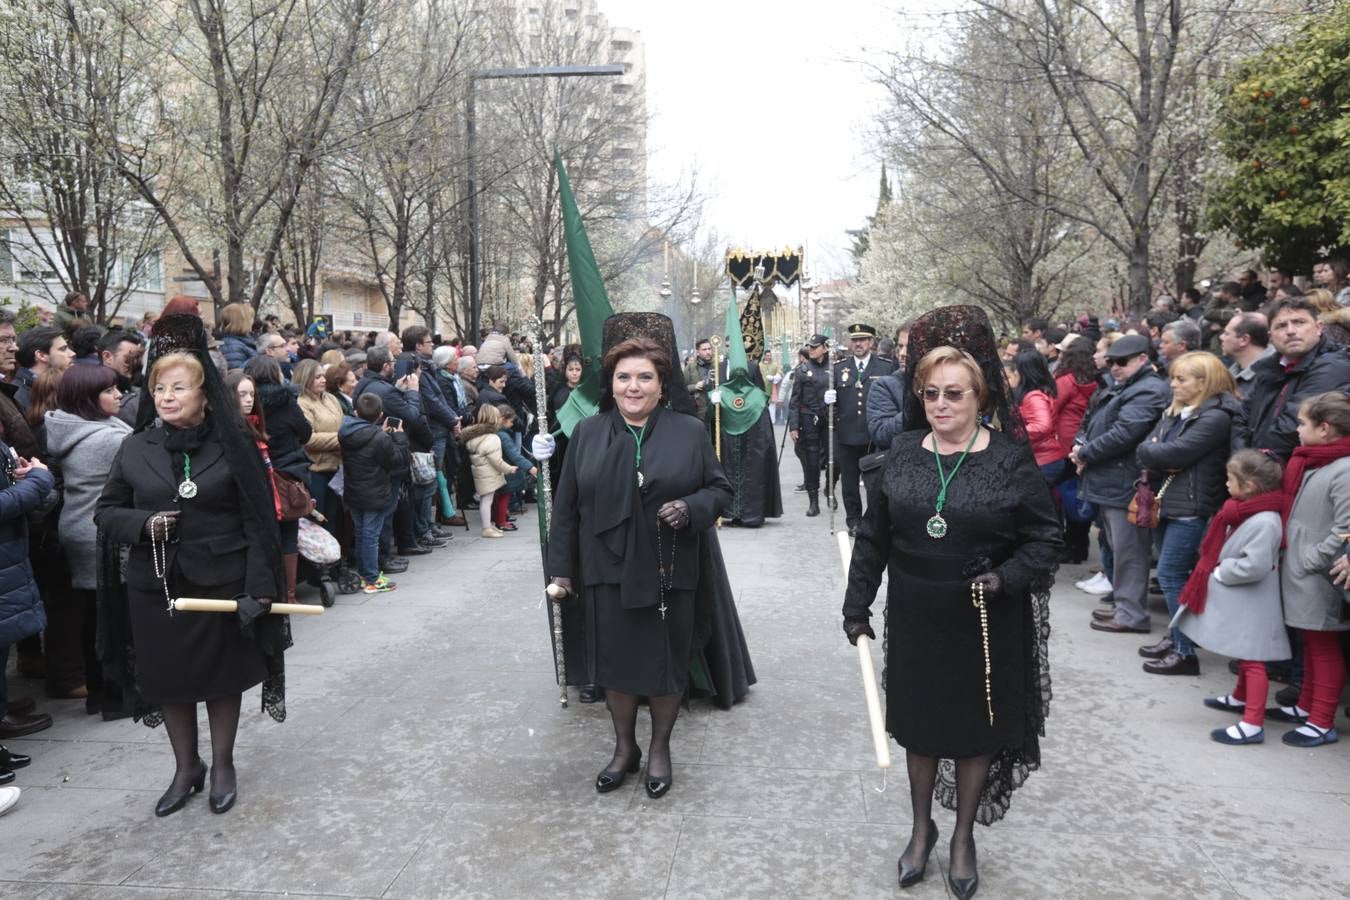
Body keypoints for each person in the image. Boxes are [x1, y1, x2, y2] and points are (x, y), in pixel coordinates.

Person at [842, 306, 1059, 898]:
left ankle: (962, 836)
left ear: (979, 395)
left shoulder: (1010, 459)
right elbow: (875, 536)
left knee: (975, 729)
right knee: (919, 728)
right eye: (931, 393)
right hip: (916, 613)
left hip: (986, 620)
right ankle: (921, 831)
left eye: (955, 394)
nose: (942, 404)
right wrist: (856, 605)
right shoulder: (905, 452)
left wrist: (1007, 578)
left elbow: (1046, 539)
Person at [95, 315, 289, 817]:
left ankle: (223, 765)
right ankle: (187, 768)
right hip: (154, 588)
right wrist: (144, 525)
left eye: (179, 387)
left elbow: (260, 524)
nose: (166, 396)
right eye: (159, 387)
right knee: (168, 681)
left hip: (222, 583)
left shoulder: (235, 445)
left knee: (222, 679)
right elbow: (106, 512)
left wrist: (260, 589)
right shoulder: (134, 447)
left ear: (204, 395)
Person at [547, 335, 731, 800]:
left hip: (670, 568)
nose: (633, 386)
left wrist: (690, 507)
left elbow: (720, 490)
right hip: (603, 570)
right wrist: (561, 571)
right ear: (609, 384)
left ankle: (661, 750)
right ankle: (624, 749)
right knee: (616, 664)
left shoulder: (688, 432)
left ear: (661, 384)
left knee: (665, 663)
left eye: (644, 377)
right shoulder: (587, 434)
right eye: (623, 377)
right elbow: (566, 507)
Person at [1129, 352, 1244, 676]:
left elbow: (1175, 451)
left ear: (1203, 382)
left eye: (1182, 379)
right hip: (1170, 502)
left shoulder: (1217, 417)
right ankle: (1176, 637)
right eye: (1174, 377)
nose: (1174, 384)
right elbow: (1149, 447)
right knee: (1171, 577)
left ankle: (1184, 652)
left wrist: (1156, 452)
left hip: (1191, 507)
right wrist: (1155, 453)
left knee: (1170, 575)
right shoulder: (1179, 411)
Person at [1170, 450, 1288, 744]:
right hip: (1246, 601)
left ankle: (1253, 723)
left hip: (1254, 601)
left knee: (1253, 659)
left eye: (1230, 479)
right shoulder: (1246, 510)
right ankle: (1240, 698)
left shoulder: (1265, 521)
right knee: (1245, 653)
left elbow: (1256, 565)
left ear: (1249, 486)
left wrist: (1222, 571)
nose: (1225, 484)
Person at [44, 366, 133, 708]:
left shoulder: (73, 427)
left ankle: (100, 690)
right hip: (102, 533)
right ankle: (113, 693)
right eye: (109, 391)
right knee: (111, 617)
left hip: (80, 526)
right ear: (87, 399)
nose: (118, 394)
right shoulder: (106, 439)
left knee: (94, 613)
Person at [1072, 334, 1171, 634]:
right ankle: (1126, 608)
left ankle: (1131, 614)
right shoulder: (1126, 386)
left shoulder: (1148, 389)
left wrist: (1085, 453)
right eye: (1111, 361)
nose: (1115, 367)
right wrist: (1081, 446)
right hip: (1111, 479)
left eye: (1122, 362)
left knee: (1130, 553)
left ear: (1142, 359)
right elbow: (1092, 422)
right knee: (1120, 549)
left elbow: (1125, 432)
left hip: (1125, 482)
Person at [1274, 392, 1350, 747]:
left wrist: (1312, 559)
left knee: (1323, 645)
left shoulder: (1344, 468)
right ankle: (1306, 706)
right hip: (1303, 570)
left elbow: (1345, 527)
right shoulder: (1316, 461)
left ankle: (1321, 720)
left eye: (1303, 423)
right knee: (1310, 640)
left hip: (1318, 574)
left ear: (1325, 428)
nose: (1297, 429)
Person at [1242, 297, 1350, 459]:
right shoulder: (1269, 367)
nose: (1291, 331)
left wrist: (1251, 460)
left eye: (1299, 322)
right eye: (1281, 326)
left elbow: (1292, 428)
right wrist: (1240, 456)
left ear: (1319, 328)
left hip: (1295, 468)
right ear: (1271, 337)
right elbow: (1241, 417)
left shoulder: (1334, 366)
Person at [244, 355, 313, 604]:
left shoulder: (244, 404)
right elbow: (305, 432)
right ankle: (290, 594)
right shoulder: (287, 401)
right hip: (287, 471)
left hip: (257, 472)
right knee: (288, 534)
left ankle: (268, 591)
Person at [830, 324, 899, 536]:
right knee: (849, 483)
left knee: (875, 482)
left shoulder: (885, 367)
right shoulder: (839, 367)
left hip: (874, 435)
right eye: (855, 340)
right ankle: (854, 521)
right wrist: (828, 402)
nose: (858, 344)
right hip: (847, 434)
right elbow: (832, 406)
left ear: (871, 342)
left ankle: (874, 519)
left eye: (863, 340)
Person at [339, 392, 407, 593]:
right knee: (371, 535)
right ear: (380, 414)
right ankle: (371, 578)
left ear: (356, 411)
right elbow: (395, 460)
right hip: (375, 491)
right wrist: (399, 436)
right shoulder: (379, 437)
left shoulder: (344, 431)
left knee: (362, 533)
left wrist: (380, 432)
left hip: (354, 490)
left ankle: (363, 573)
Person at [1050, 337, 1099, 563]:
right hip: (1083, 442)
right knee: (1078, 497)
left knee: (1065, 495)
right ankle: (1079, 545)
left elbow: (1053, 408)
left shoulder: (1066, 381)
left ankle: (1069, 546)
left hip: (1063, 444)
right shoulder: (1094, 382)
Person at [294, 359, 344, 536]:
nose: (323, 380)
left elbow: (343, 424)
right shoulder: (302, 403)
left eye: (323, 376)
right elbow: (308, 438)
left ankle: (333, 560)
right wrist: (341, 439)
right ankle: (318, 563)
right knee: (317, 518)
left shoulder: (330, 398)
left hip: (336, 467)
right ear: (305, 379)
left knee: (333, 516)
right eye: (317, 377)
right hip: (316, 470)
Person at [1004, 349, 1063, 481]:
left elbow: (1042, 426)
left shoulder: (1034, 397)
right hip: (1045, 458)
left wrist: (1011, 432)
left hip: (1044, 460)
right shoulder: (1039, 392)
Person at [788, 336, 830, 516]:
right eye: (810, 347)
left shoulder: (835, 368)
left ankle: (830, 487)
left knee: (835, 459)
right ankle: (813, 501)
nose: (811, 350)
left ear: (825, 348)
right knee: (812, 461)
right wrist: (794, 426)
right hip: (809, 419)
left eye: (815, 347)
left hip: (830, 420)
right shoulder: (803, 370)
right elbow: (795, 401)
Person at [462, 404, 516, 538]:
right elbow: (496, 461)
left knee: (486, 500)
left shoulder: (476, 436)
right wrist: (509, 469)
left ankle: (488, 525)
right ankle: (486, 528)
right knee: (486, 501)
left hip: (481, 473)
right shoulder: (492, 438)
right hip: (488, 474)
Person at [494, 404, 536, 531]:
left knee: (502, 496)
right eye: (511, 421)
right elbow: (514, 455)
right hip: (507, 470)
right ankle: (501, 522)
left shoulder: (500, 433)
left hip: (502, 468)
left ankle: (501, 518)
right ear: (503, 419)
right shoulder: (504, 436)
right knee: (505, 496)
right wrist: (531, 468)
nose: (513, 424)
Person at [218, 302, 259, 371]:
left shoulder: (239, 341)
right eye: (249, 318)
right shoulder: (232, 346)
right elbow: (237, 377)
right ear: (241, 321)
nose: (252, 321)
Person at [683, 338, 715, 418]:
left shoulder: (718, 366)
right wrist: (694, 387)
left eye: (709, 349)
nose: (708, 352)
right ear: (697, 352)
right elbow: (682, 388)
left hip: (716, 410)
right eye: (704, 349)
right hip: (698, 412)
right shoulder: (690, 368)